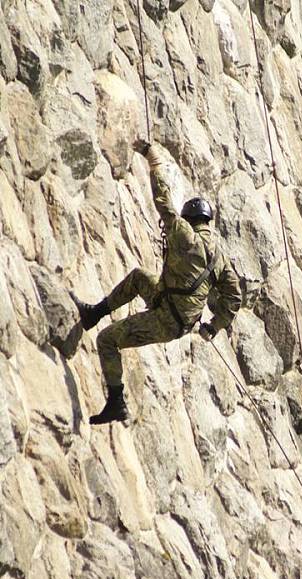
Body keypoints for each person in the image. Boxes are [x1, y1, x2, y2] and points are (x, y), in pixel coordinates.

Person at [74, 141, 242, 424]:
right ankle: (94, 314)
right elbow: (234, 297)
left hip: (167, 319)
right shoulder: (220, 258)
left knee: (107, 340)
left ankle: (116, 401)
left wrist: (153, 159)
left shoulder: (184, 234)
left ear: (190, 220)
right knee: (140, 277)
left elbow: (163, 200)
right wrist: (213, 327)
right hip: (175, 311)